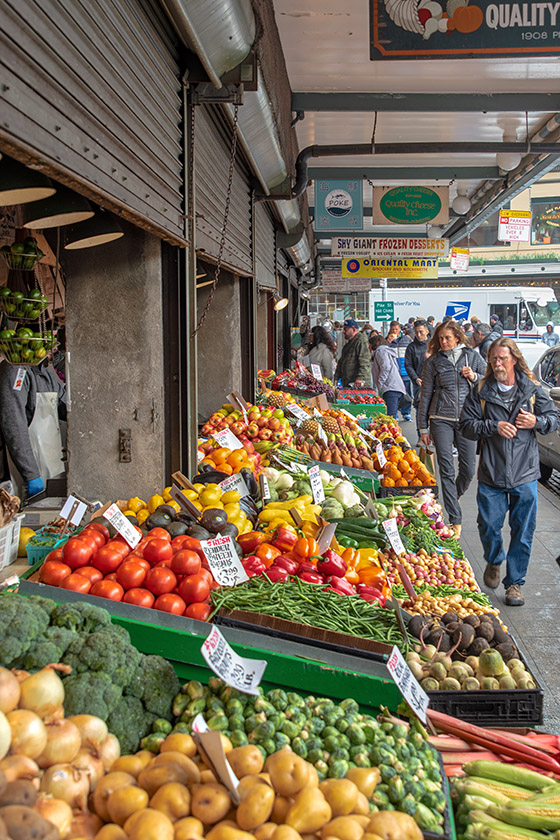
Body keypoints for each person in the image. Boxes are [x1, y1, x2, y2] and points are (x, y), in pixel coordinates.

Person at [460, 337, 559, 606]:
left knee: (523, 531)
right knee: (488, 525)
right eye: (493, 359)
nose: (497, 363)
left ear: (514, 358)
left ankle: (515, 583)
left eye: (502, 358)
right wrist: (494, 426)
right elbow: (466, 425)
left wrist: (536, 421)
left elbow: (554, 420)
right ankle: (494, 559)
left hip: (525, 473)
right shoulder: (480, 390)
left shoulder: (533, 390)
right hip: (492, 472)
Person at [418, 320, 487, 536]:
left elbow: (489, 381)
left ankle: (452, 495)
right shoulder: (433, 362)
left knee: (468, 469)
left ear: (457, 337)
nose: (444, 342)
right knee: (446, 468)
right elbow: (426, 394)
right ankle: (454, 520)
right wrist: (423, 428)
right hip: (440, 419)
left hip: (467, 419)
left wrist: (474, 376)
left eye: (448, 337)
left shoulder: (473, 357)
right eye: (440, 339)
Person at [0, 361, 66, 499]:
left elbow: (64, 405)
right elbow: (14, 426)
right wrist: (31, 474)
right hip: (24, 469)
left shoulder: (46, 370)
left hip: (50, 462)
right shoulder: (15, 371)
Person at [369, 335, 406, 419]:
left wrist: (380, 383)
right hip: (395, 388)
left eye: (369, 345)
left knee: (390, 418)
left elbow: (385, 367)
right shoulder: (386, 351)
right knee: (392, 417)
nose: (368, 347)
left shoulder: (380, 351)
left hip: (390, 389)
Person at [405, 320, 430, 442]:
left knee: (433, 410)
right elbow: (408, 365)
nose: (419, 335)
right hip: (418, 383)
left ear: (427, 331)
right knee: (420, 410)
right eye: (416, 332)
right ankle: (421, 437)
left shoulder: (433, 345)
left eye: (421, 332)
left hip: (434, 383)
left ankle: (433, 436)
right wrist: (415, 378)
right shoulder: (411, 347)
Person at [334, 319, 372, 387]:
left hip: (358, 384)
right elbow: (341, 362)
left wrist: (360, 378)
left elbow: (365, 362)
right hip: (348, 382)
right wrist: (337, 376)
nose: (344, 332)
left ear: (354, 330)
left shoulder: (361, 342)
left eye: (346, 329)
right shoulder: (348, 345)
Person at [396, 326, 413, 422]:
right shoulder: (390, 342)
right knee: (396, 394)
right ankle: (395, 413)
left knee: (407, 395)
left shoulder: (407, 341)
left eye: (396, 329)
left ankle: (406, 413)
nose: (394, 331)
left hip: (405, 372)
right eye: (393, 329)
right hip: (395, 374)